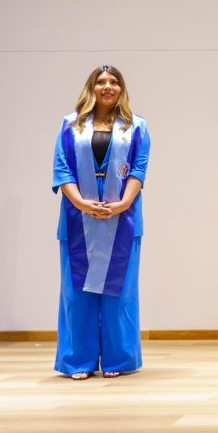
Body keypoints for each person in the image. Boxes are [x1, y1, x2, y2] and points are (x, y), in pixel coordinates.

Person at [51, 65, 151, 380]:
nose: (107, 86)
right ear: (91, 88)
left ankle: (118, 359)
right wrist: (81, 202)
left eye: (114, 81)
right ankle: (77, 360)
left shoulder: (136, 127)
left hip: (122, 219)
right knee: (76, 293)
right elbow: (62, 169)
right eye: (101, 81)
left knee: (120, 294)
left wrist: (123, 204)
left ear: (121, 89)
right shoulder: (70, 125)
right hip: (77, 218)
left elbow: (138, 169)